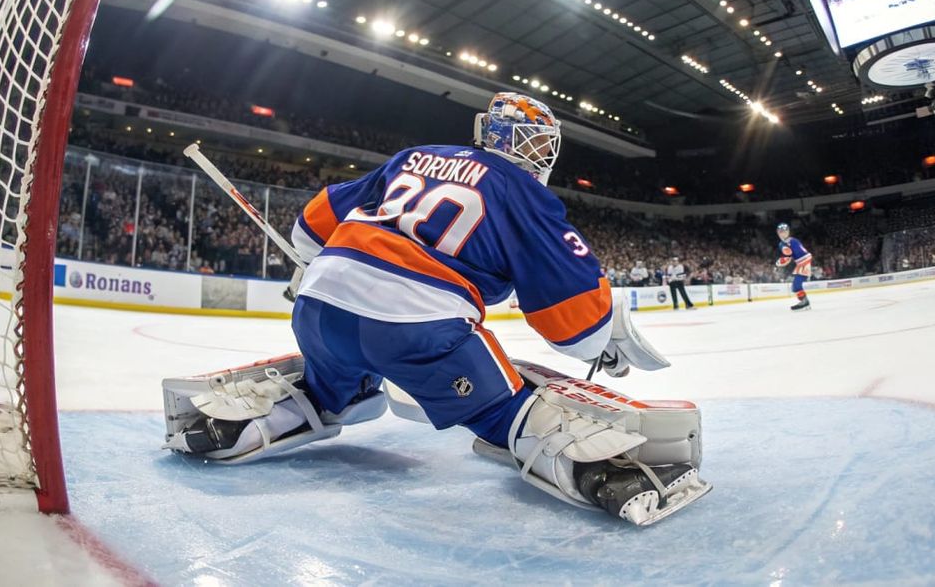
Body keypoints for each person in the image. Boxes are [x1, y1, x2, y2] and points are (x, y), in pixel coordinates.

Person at [161, 93, 710, 525]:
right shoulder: (523, 191)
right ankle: (607, 471)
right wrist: (604, 337)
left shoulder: (414, 157)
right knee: (505, 410)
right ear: (534, 147)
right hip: (416, 325)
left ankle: (247, 422)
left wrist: (323, 265)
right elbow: (578, 331)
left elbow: (309, 227)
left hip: (318, 308)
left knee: (335, 391)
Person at [775, 223, 813, 311]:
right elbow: (789, 255)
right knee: (795, 286)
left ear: (788, 232)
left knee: (796, 286)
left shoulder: (784, 243)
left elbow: (788, 254)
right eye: (781, 232)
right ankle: (805, 302)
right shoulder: (792, 240)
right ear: (778, 233)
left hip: (803, 261)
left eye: (784, 231)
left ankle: (805, 303)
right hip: (802, 261)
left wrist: (780, 262)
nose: (783, 233)